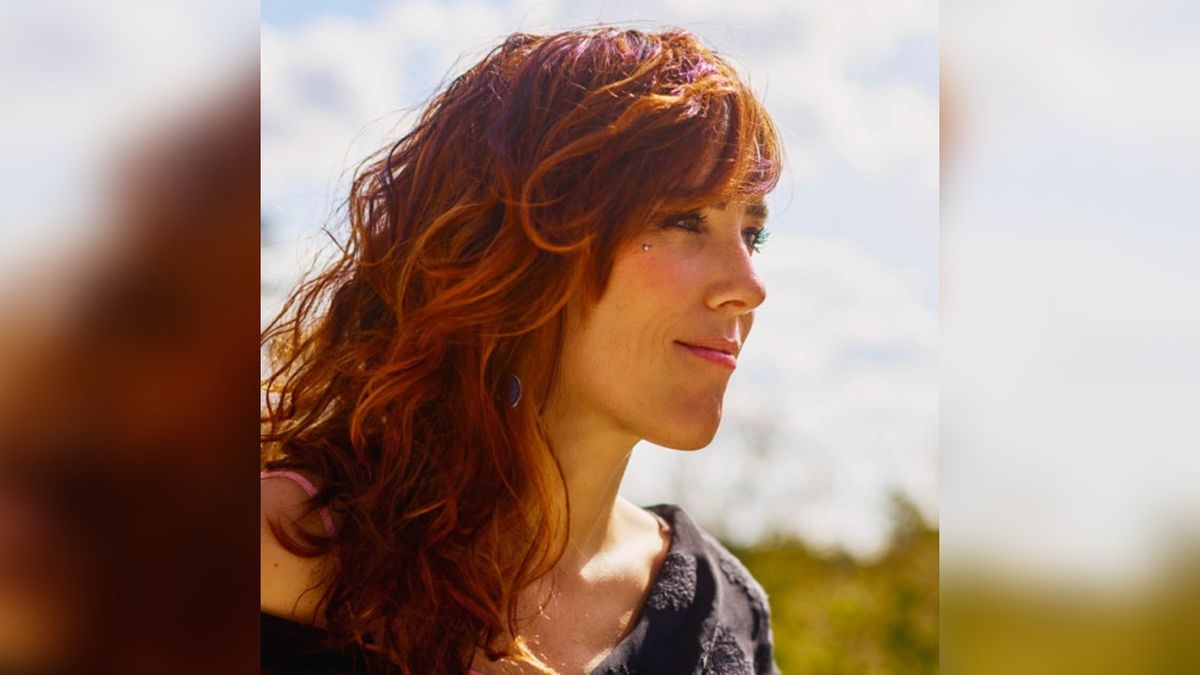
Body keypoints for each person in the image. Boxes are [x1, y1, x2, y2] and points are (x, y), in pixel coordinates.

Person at [261, 26, 782, 675]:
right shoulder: (278, 547)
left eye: (753, 234)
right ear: (518, 245)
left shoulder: (727, 612)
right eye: (683, 219)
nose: (749, 287)